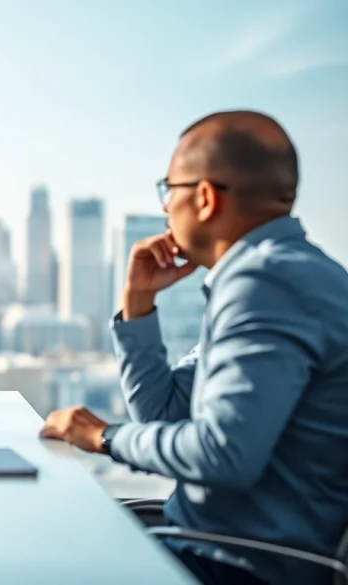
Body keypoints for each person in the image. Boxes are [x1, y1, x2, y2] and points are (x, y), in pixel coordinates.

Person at [39, 110, 348, 585]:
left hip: (240, 566)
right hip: (207, 544)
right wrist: (138, 304)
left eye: (170, 190)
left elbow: (223, 454)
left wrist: (102, 436)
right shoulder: (283, 274)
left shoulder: (266, 282)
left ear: (204, 197)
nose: (165, 208)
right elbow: (161, 414)